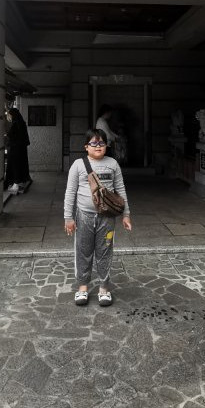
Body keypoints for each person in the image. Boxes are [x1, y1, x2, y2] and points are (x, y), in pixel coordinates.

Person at [64, 129, 132, 307]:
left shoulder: (113, 164)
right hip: (83, 216)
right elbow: (70, 193)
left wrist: (126, 215)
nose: (98, 146)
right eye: (93, 143)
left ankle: (104, 288)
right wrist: (68, 218)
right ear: (86, 146)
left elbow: (121, 189)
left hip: (107, 217)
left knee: (105, 251)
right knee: (83, 251)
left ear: (106, 145)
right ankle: (83, 287)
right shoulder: (78, 165)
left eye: (101, 143)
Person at [4, 107, 31, 192]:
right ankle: (18, 183)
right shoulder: (21, 122)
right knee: (20, 165)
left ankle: (15, 184)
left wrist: (6, 135)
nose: (9, 117)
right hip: (21, 149)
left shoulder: (15, 123)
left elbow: (11, 135)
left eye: (9, 115)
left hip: (15, 149)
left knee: (14, 166)